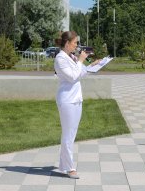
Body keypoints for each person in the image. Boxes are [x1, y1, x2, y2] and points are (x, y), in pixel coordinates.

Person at [54, 31, 99, 179]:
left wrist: (91, 66)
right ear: (67, 44)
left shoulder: (70, 57)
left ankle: (64, 165)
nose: (77, 46)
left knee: (70, 134)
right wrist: (80, 61)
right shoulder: (60, 59)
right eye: (75, 43)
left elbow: (79, 73)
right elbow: (73, 76)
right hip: (67, 100)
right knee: (68, 135)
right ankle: (69, 167)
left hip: (76, 99)